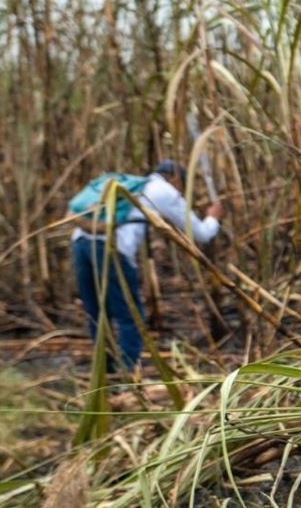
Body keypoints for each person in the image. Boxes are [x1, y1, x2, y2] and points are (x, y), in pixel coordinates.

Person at [71, 159, 224, 374]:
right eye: (182, 184)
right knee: (130, 315)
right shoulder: (164, 191)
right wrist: (212, 217)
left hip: (80, 244)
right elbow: (201, 233)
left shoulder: (132, 183)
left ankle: (104, 370)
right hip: (112, 249)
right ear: (175, 178)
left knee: (96, 312)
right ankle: (128, 375)